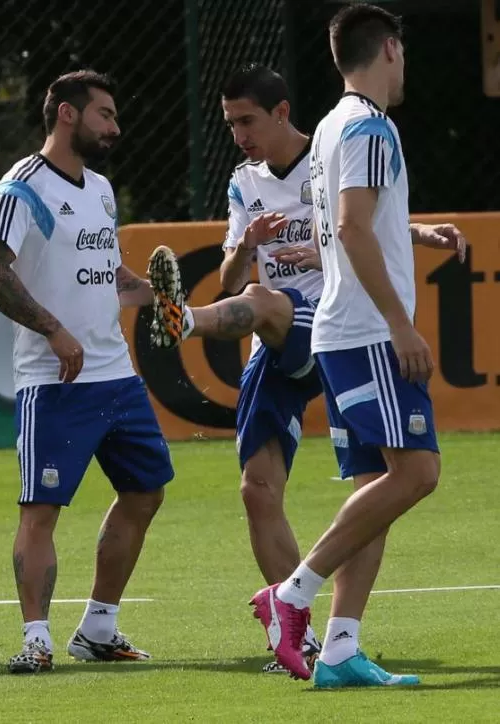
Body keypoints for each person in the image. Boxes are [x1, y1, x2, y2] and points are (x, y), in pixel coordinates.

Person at [248, 4, 466, 687]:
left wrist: (413, 234)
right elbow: (350, 227)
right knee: (417, 474)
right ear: (391, 49)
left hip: (342, 329)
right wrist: (402, 323)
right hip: (369, 330)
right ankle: (291, 596)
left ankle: (341, 647)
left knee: (381, 484)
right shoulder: (371, 127)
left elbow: (337, 229)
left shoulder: (331, 130)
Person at [0, 70, 174, 674]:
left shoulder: (102, 190)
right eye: (105, 115)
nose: (115, 127)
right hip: (54, 383)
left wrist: (159, 297)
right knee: (41, 511)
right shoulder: (21, 188)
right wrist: (52, 330)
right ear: (67, 114)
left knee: (145, 491)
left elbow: (108, 274)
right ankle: (35, 640)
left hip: (116, 375)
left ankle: (98, 627)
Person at [146, 63, 324, 673]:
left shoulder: (329, 156)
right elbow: (231, 279)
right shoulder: (244, 181)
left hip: (329, 327)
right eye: (229, 124)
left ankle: (185, 322)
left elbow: (367, 230)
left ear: (280, 112)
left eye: (247, 120)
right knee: (256, 491)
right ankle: (298, 634)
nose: (239, 134)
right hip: (272, 340)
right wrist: (247, 246)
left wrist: (321, 247)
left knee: (272, 302)